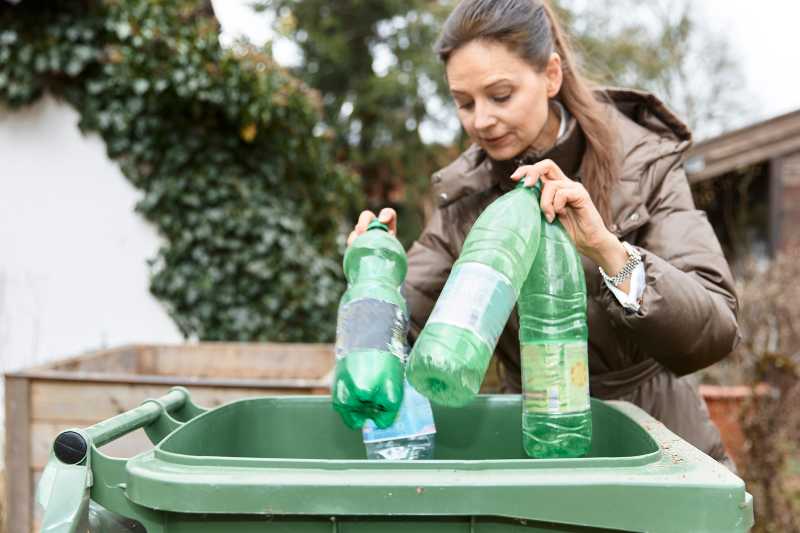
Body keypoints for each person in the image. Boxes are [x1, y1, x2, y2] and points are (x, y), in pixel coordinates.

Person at [347, 0, 740, 469]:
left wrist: (607, 251)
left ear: (551, 75)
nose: (481, 121)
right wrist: (372, 275)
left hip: (657, 448)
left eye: (500, 94)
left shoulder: (642, 164)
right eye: (464, 102)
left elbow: (714, 332)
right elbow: (407, 325)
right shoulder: (466, 198)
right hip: (538, 454)